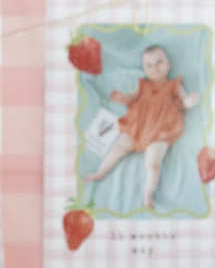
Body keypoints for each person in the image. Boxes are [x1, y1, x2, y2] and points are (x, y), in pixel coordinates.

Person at [85, 44, 200, 211]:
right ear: (144, 69)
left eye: (159, 62)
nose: (155, 68)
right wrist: (121, 98)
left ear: (168, 64)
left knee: (153, 163)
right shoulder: (142, 85)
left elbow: (184, 101)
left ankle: (148, 194)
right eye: (149, 65)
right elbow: (130, 99)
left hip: (161, 130)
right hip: (138, 126)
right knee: (118, 147)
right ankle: (101, 172)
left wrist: (190, 100)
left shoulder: (174, 85)